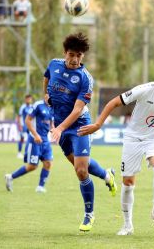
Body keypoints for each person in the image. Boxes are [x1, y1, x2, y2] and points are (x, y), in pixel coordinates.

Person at [78, 59, 154, 235]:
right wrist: (98, 124)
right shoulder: (145, 90)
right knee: (128, 183)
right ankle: (127, 225)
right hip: (132, 138)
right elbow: (113, 103)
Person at [44, 32, 117, 232]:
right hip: (61, 125)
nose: (75, 59)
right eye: (71, 54)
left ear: (82, 56)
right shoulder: (53, 64)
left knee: (81, 170)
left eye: (79, 56)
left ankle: (89, 215)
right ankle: (107, 175)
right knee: (78, 165)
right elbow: (46, 78)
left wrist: (59, 128)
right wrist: (45, 95)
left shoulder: (85, 79)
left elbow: (77, 110)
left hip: (79, 125)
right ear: (64, 53)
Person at [5, 99, 54, 193]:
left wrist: (54, 131)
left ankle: (40, 187)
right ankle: (10, 177)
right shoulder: (38, 105)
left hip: (45, 140)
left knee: (48, 163)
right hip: (35, 140)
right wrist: (36, 135)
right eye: (48, 92)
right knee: (32, 166)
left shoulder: (53, 106)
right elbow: (28, 120)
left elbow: (51, 124)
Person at [17, 94, 33, 159]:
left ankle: (28, 153)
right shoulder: (23, 107)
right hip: (24, 126)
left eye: (30, 99)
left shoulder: (32, 107)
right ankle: (19, 153)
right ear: (25, 99)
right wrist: (20, 125)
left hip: (30, 126)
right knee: (22, 138)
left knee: (31, 139)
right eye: (28, 99)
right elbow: (19, 116)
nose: (29, 100)